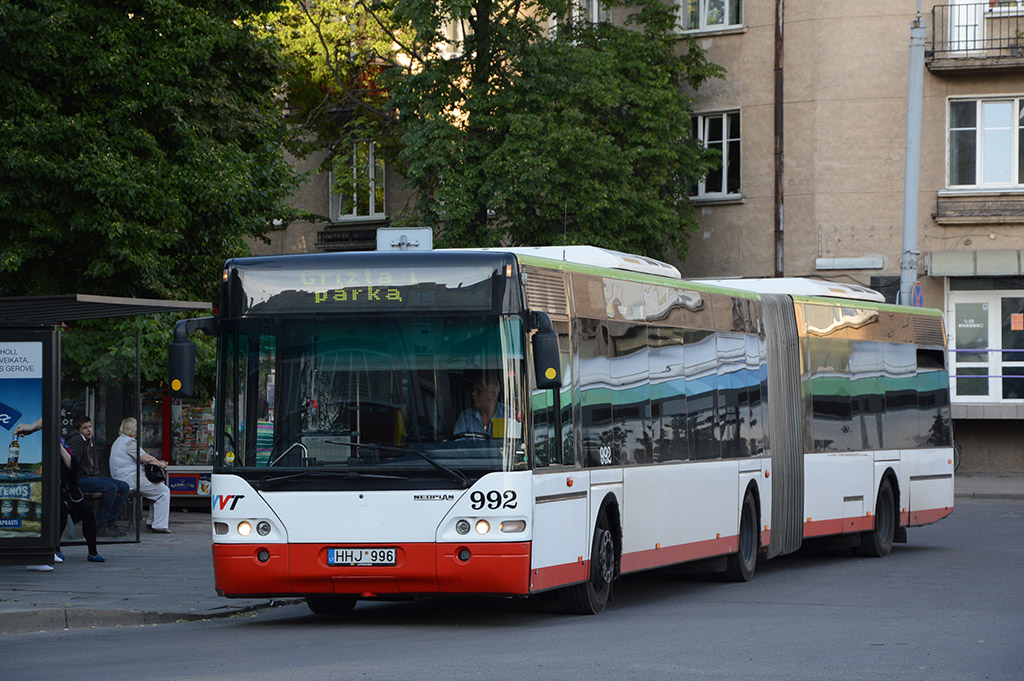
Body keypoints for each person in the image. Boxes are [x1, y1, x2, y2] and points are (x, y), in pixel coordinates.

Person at [66, 416, 129, 537]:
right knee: (111, 488)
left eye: (90, 427)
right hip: (81, 478)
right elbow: (74, 461)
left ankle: (111, 523)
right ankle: (101, 525)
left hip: (92, 476)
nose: (89, 430)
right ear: (78, 430)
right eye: (85, 428)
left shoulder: (90, 441)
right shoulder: (77, 440)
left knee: (124, 487)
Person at [109, 417, 171, 533]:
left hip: (123, 478)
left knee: (157, 490)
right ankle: (159, 525)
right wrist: (160, 464)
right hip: (131, 478)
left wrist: (157, 462)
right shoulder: (129, 442)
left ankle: (152, 521)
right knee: (163, 491)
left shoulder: (118, 441)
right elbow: (145, 457)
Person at [453, 375, 505, 440]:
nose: (473, 394)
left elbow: (515, 444)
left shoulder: (508, 415)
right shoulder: (465, 417)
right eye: (474, 390)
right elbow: (458, 446)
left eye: (479, 391)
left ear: (492, 395)